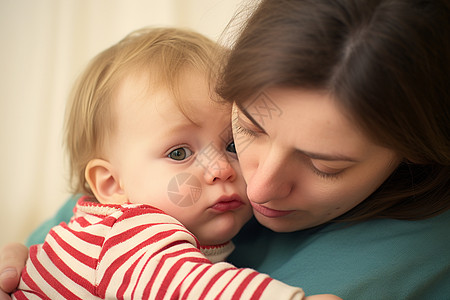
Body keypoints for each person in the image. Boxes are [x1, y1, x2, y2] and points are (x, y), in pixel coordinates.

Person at [1, 0, 449, 298]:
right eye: (249, 128)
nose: (258, 185)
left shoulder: (421, 252)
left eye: (323, 164)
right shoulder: (129, 222)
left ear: (414, 150)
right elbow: (189, 283)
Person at [9, 27, 338, 300]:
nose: (221, 169)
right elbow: (189, 284)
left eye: (233, 144)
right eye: (179, 153)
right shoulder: (125, 235)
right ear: (111, 185)